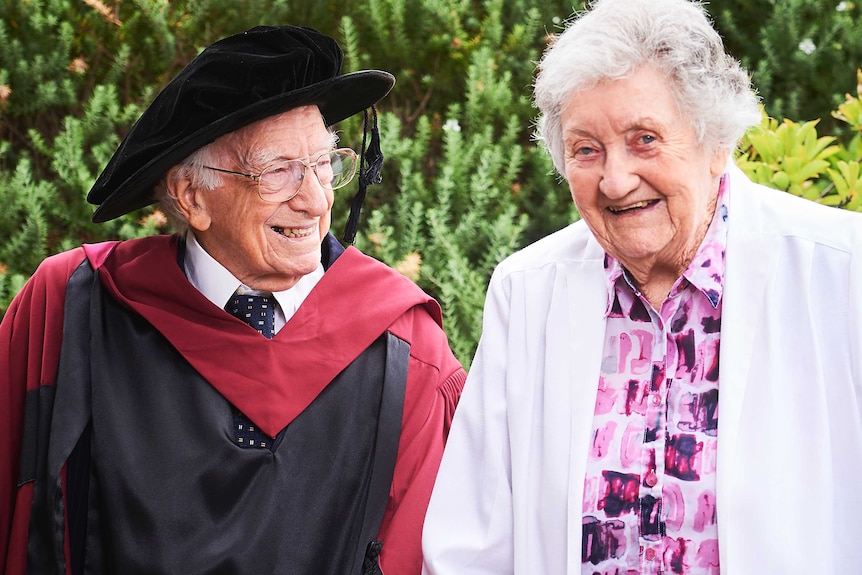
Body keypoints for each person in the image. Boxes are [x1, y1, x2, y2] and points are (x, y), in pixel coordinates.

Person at [0, 25, 466, 575]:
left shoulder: (406, 348)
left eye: (324, 164)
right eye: (278, 172)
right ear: (192, 196)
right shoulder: (73, 309)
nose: (316, 201)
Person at [421, 0, 862, 573]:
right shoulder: (527, 291)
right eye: (586, 149)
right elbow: (470, 543)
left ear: (716, 142)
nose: (616, 179)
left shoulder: (841, 272)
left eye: (644, 139)